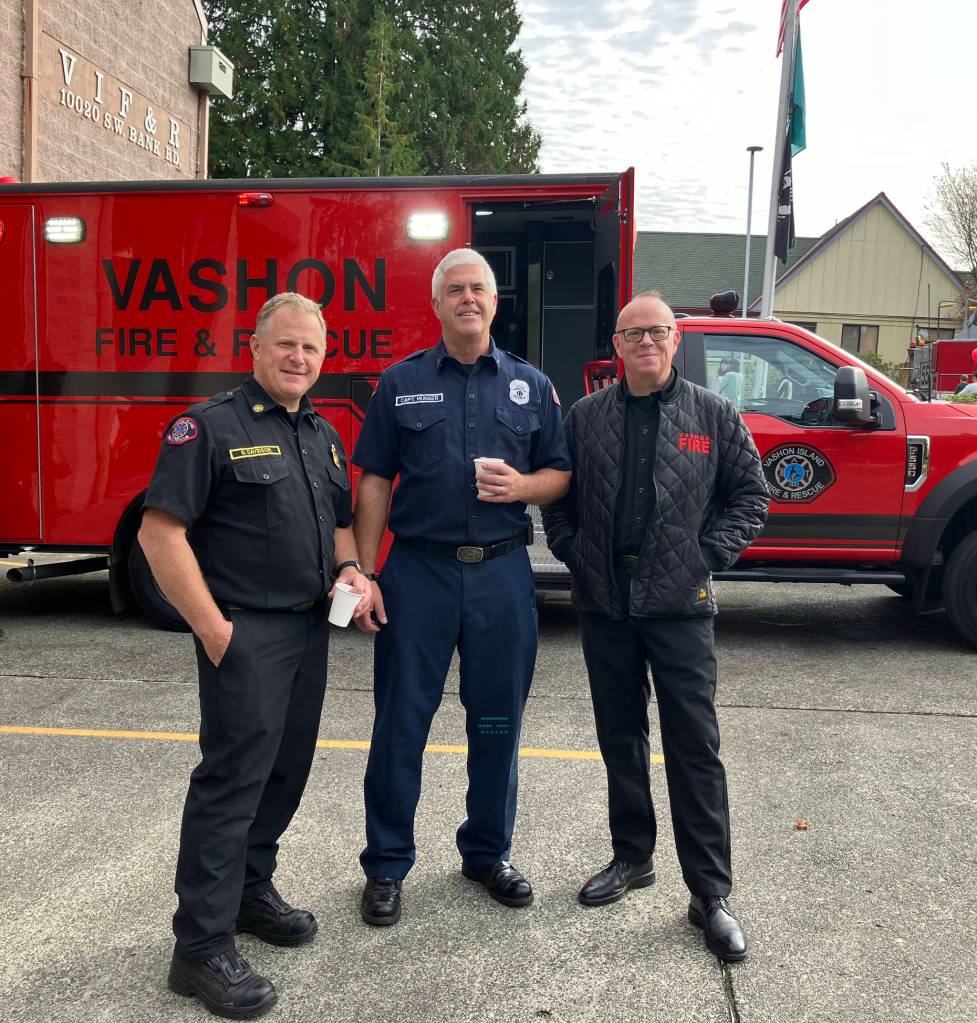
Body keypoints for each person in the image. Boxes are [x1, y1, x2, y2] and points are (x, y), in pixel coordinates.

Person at [138, 293, 372, 1018]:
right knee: (231, 781)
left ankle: (247, 892)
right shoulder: (208, 427)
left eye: (311, 347)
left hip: (309, 630)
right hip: (247, 633)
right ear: (255, 347)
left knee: (284, 772)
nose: (298, 357)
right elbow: (160, 534)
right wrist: (214, 630)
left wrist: (352, 570)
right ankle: (199, 947)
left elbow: (337, 523)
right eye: (285, 345)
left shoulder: (323, 434)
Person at [541, 290, 768, 963]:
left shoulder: (713, 415)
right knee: (620, 738)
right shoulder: (584, 418)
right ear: (615, 345)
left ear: (675, 340)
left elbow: (750, 497)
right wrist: (570, 549)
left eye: (657, 331)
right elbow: (559, 496)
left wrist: (704, 556)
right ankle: (631, 856)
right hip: (606, 607)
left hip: (681, 609)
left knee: (694, 749)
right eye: (632, 332)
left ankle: (709, 895)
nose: (645, 341)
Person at [351, 248, 572, 926]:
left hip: (502, 571)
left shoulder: (530, 386)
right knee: (400, 724)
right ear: (436, 302)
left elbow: (559, 473)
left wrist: (524, 486)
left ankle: (486, 851)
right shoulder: (399, 382)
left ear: (494, 301)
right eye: (455, 289)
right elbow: (374, 480)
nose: (467, 298)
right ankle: (387, 864)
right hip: (418, 572)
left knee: (497, 719)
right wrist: (363, 572)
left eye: (478, 288)